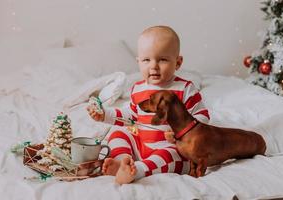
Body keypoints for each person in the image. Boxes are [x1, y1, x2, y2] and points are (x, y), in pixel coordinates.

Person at [87, 25, 209, 184]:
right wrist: (105, 115)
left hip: (172, 148)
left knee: (169, 155)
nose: (153, 66)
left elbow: (202, 118)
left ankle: (136, 171)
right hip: (141, 145)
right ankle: (122, 161)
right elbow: (130, 118)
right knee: (118, 132)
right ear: (138, 62)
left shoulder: (185, 89)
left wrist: (181, 135)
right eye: (146, 60)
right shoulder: (137, 89)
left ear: (178, 62)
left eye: (163, 59)